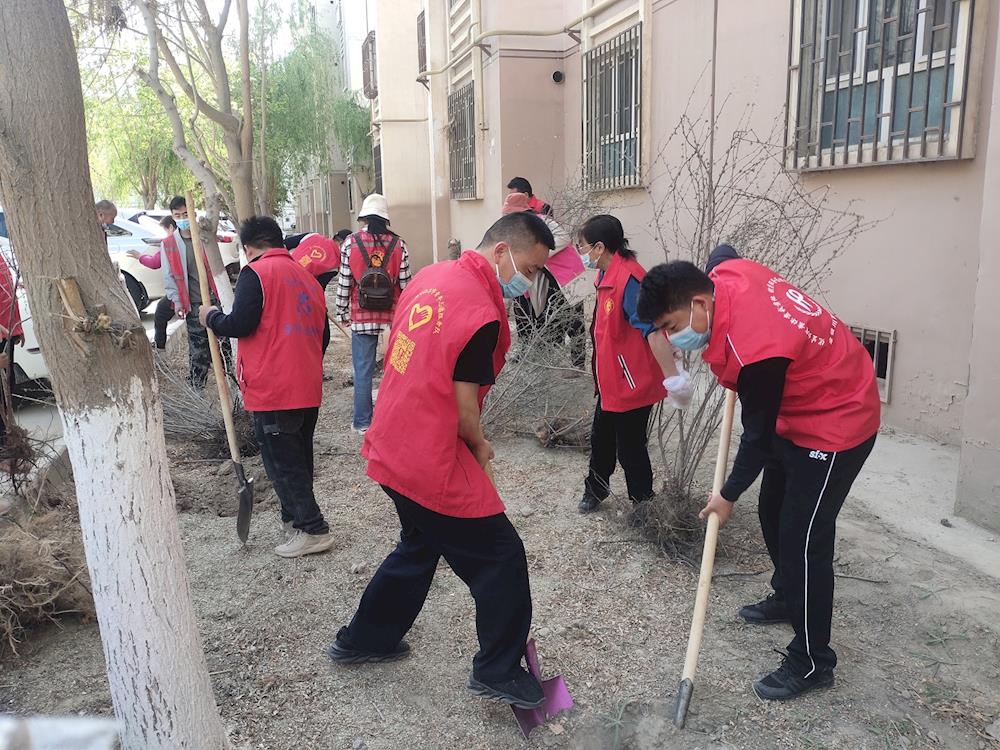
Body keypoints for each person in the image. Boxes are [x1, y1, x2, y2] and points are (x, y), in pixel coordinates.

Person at [327, 212, 555, 710]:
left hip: (392, 439)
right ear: (501, 253)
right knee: (500, 557)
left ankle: (365, 639)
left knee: (419, 545)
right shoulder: (482, 313)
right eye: (532, 269)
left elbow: (393, 348)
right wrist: (479, 444)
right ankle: (497, 669)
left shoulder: (434, 275)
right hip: (428, 454)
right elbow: (464, 405)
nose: (530, 281)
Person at [636, 245, 881, 701]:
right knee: (772, 509)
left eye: (671, 327)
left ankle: (813, 662)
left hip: (836, 420)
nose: (671, 339)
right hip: (798, 409)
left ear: (701, 304)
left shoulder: (757, 350)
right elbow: (724, 252)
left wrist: (726, 495)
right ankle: (790, 596)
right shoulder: (725, 274)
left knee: (804, 538)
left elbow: (758, 438)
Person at [200, 216, 334, 559]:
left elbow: (240, 323)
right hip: (306, 384)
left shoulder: (256, 273)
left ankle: (314, 529)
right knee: (298, 457)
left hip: (275, 386)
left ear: (248, 249)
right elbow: (324, 336)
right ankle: (295, 522)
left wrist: (210, 317)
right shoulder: (307, 278)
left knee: (282, 463)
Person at [576, 215, 690, 514]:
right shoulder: (605, 275)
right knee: (601, 440)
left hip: (631, 383)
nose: (582, 253)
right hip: (611, 381)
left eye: (583, 246)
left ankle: (643, 504)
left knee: (631, 448)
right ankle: (595, 490)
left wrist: (673, 379)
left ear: (599, 247)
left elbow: (654, 332)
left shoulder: (630, 281)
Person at [334, 194, 412, 433]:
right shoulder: (399, 245)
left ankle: (362, 423)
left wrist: (341, 311)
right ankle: (394, 420)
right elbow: (407, 285)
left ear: (364, 217)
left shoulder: (350, 243)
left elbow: (345, 282)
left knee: (363, 370)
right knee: (397, 368)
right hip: (393, 317)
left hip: (362, 314)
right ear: (386, 218)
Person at [501, 192, 587, 370]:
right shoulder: (516, 231)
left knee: (574, 321)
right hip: (547, 278)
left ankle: (578, 365)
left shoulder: (542, 222)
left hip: (569, 276)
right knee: (545, 318)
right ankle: (545, 360)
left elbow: (563, 238)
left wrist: (538, 255)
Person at [161, 196, 222, 387]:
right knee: (198, 351)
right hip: (193, 304)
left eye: (186, 214)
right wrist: (177, 302)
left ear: (193, 213)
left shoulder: (206, 237)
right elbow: (169, 276)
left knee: (224, 346)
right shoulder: (169, 244)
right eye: (177, 215)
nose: (182, 218)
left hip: (215, 300)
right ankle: (198, 389)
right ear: (172, 217)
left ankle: (232, 386)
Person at [127, 215, 178, 350]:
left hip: (179, 290)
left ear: (171, 228)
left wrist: (139, 256)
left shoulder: (170, 243)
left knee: (160, 313)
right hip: (189, 289)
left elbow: (155, 263)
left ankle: (160, 347)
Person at [0, 249, 23, 474]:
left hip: (7, 331)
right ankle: (3, 454)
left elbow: (8, 293)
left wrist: (17, 327)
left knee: (8, 389)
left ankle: (9, 449)